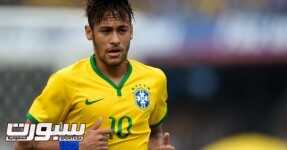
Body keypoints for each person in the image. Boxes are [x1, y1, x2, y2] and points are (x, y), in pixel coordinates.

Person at [15, 0, 175, 149]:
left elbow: (155, 132)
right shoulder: (65, 80)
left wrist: (156, 146)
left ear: (131, 31)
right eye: (106, 31)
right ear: (89, 32)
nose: (115, 40)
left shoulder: (155, 79)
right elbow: (24, 140)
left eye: (122, 30)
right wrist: (76, 145)